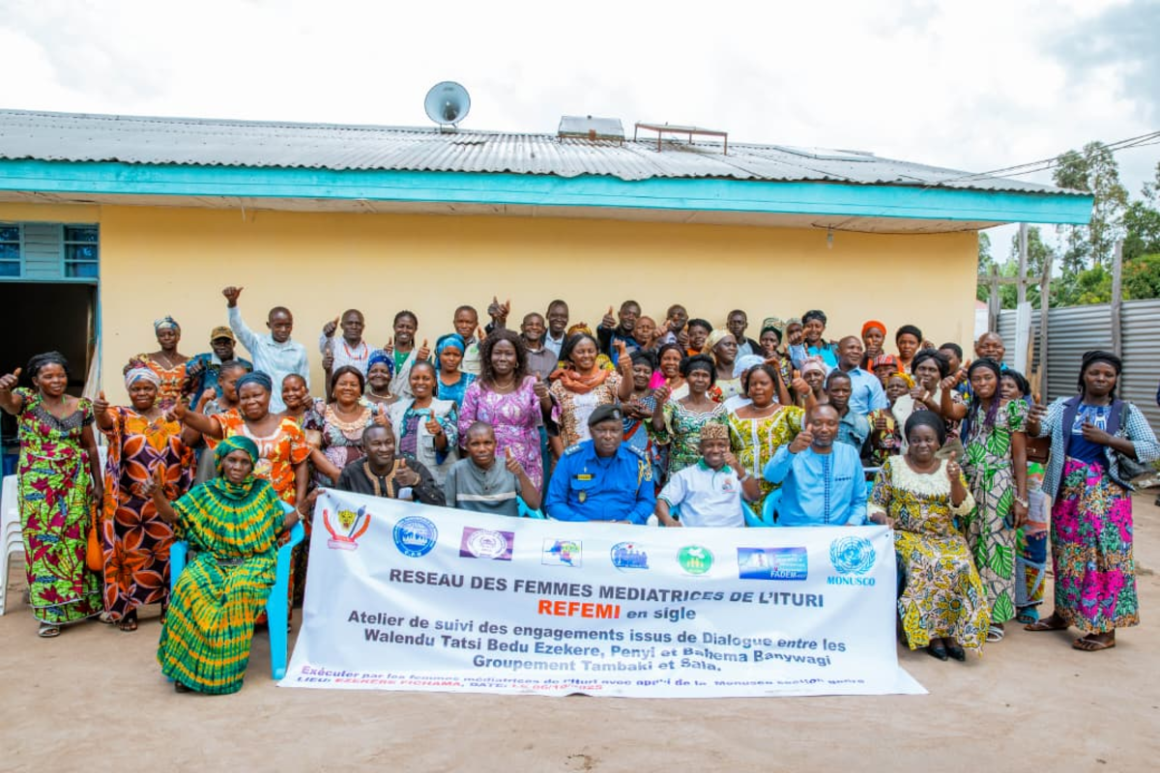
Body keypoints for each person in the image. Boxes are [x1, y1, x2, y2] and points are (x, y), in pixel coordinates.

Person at [148, 436, 307, 695]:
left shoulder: (263, 491)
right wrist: (156, 494)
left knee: (238, 591)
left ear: (252, 466)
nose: (237, 466)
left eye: (245, 462)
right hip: (215, 559)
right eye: (232, 460)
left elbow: (279, 525)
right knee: (190, 587)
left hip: (254, 562)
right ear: (221, 461)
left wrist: (305, 506)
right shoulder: (206, 492)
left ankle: (218, 674)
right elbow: (174, 515)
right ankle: (186, 670)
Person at [1025, 351, 1160, 651]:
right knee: (1066, 554)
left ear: (1115, 380)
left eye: (1108, 375)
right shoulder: (1064, 406)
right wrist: (1034, 421)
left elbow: (1152, 449)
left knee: (1104, 558)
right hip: (1068, 491)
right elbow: (1041, 431)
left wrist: (1109, 440)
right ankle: (1063, 614)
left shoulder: (1125, 411)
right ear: (1083, 374)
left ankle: (1105, 630)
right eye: (1095, 373)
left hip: (1107, 495)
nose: (1101, 379)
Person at [868, 411, 989, 661]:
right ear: (907, 441)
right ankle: (930, 634)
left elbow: (964, 508)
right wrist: (883, 518)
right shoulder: (893, 465)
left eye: (929, 440)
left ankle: (953, 633)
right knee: (928, 564)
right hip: (907, 535)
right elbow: (875, 504)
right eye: (916, 440)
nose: (922, 445)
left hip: (945, 536)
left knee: (960, 564)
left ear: (939, 442)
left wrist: (955, 481)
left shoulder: (950, 468)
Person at [0, 353, 103, 638]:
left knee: (77, 543)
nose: (56, 380)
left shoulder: (81, 406)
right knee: (44, 549)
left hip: (75, 483)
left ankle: (87, 606)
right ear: (35, 380)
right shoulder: (25, 400)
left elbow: (91, 447)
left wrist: (99, 484)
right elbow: (8, 406)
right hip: (38, 491)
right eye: (48, 376)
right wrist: (3, 390)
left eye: (60, 375)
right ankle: (50, 614)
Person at [94, 369, 198, 631]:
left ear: (157, 390)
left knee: (168, 553)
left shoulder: (171, 416)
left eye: (147, 388)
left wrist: (195, 410)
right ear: (129, 391)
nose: (141, 393)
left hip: (168, 500)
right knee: (131, 555)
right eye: (136, 389)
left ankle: (168, 603)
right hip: (131, 502)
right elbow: (105, 423)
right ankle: (128, 609)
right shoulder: (120, 415)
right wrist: (98, 410)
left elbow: (188, 443)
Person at [959, 358, 1029, 641]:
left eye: (987, 378)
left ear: (997, 379)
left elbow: (1020, 455)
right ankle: (973, 610)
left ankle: (996, 618)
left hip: (999, 485)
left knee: (998, 548)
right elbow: (947, 410)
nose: (982, 383)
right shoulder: (973, 407)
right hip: (970, 483)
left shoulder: (1013, 408)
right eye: (976, 379)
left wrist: (1021, 499)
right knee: (972, 544)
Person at [175, 371, 310, 508]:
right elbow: (208, 424)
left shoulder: (289, 427)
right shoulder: (232, 421)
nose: (251, 401)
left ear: (269, 394)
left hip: (280, 504)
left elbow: (300, 465)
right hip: (239, 506)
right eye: (245, 397)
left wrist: (299, 502)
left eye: (257, 395)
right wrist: (184, 414)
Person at [458, 329, 550, 489]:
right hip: (486, 462)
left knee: (524, 510)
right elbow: (465, 426)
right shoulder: (476, 388)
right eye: (497, 353)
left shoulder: (530, 384)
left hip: (526, 462)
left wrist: (544, 397)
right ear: (489, 356)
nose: (502, 358)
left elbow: (546, 415)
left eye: (508, 354)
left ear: (517, 358)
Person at [545, 405, 655, 523]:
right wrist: (585, 523)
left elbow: (647, 501)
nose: (608, 436)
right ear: (591, 431)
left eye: (614, 430)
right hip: (580, 531)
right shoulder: (571, 458)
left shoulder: (638, 460)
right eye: (601, 430)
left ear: (622, 431)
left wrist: (630, 521)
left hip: (625, 531)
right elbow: (554, 503)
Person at [763, 404, 867, 527]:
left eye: (831, 423)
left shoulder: (849, 453)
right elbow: (771, 476)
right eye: (817, 423)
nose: (824, 429)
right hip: (796, 532)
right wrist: (791, 451)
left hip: (838, 535)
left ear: (838, 427)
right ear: (807, 424)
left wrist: (852, 524)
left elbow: (859, 501)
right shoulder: (793, 451)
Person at [999, 369, 1048, 624]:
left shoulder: (1028, 414)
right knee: (999, 537)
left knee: (1031, 539)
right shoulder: (984, 412)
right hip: (996, 479)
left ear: (1022, 391)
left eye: (1011, 385)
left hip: (1029, 478)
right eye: (1001, 384)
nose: (1005, 388)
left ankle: (1029, 602)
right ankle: (1003, 597)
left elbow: (1039, 433)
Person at [726, 364, 805, 514]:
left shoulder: (788, 414)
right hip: (743, 491)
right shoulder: (731, 417)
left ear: (774, 386)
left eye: (763, 383)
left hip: (780, 491)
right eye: (753, 384)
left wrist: (806, 393)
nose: (758, 388)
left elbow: (814, 423)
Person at [222, 287, 309, 413]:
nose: (283, 329)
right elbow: (238, 328)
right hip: (264, 412)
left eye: (287, 325)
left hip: (291, 412)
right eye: (278, 325)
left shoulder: (299, 350)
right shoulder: (258, 343)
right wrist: (232, 304)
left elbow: (305, 385)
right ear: (269, 325)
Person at [656, 423, 759, 528]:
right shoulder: (685, 476)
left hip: (732, 536)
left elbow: (754, 496)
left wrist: (739, 469)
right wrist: (669, 520)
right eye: (709, 445)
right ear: (701, 448)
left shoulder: (737, 473)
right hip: (695, 537)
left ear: (728, 448)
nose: (715, 450)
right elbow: (663, 501)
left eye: (721, 445)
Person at [549, 332, 633, 452]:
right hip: (573, 454)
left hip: (604, 451)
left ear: (597, 353)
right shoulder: (559, 385)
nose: (586, 355)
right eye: (580, 352)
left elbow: (625, 394)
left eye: (590, 351)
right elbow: (554, 426)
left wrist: (627, 369)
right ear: (571, 356)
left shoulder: (608, 378)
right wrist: (564, 459)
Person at [297, 366, 381, 486]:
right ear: (333, 389)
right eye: (342, 384)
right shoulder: (321, 412)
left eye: (353, 384)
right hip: (328, 484)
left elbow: (382, 447)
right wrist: (335, 474)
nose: (348, 388)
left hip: (364, 483)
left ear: (360, 391)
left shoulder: (373, 413)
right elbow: (310, 448)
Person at [652, 354, 728, 476]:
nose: (700, 379)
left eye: (705, 376)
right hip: (679, 470)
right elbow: (658, 427)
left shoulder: (719, 410)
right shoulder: (673, 405)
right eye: (695, 374)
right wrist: (659, 404)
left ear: (711, 380)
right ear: (686, 378)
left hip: (709, 470)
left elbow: (724, 443)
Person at [387, 360, 459, 485]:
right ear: (409, 381)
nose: (420, 382)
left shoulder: (446, 409)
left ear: (434, 381)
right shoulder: (396, 409)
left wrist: (439, 432)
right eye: (415, 378)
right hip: (402, 479)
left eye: (426, 378)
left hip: (433, 482)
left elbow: (446, 446)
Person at [445, 422, 541, 515]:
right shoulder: (456, 471)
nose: (482, 449)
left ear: (495, 444)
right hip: (469, 529)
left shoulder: (511, 467)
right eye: (475, 444)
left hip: (505, 528)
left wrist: (520, 474)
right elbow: (449, 511)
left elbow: (534, 504)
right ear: (466, 446)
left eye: (487, 443)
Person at [335, 424, 445, 505]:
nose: (384, 449)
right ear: (364, 447)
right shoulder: (351, 474)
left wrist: (417, 482)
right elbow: (337, 508)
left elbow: (440, 504)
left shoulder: (413, 467)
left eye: (388, 443)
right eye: (376, 444)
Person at [125, 317, 190, 409]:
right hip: (151, 411)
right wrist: (127, 371)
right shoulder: (144, 360)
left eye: (171, 334)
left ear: (178, 337)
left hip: (180, 411)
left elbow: (195, 389)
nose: (166, 338)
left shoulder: (190, 362)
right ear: (157, 338)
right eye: (162, 335)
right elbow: (134, 383)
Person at [621, 350, 663, 484]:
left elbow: (664, 426)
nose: (641, 375)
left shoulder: (658, 397)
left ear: (652, 375)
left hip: (648, 457)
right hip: (619, 456)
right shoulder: (619, 394)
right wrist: (621, 409)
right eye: (637, 370)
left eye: (646, 372)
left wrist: (650, 415)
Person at [185, 326, 252, 408]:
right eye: (218, 343)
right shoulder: (204, 360)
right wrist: (193, 368)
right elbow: (189, 366)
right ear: (212, 344)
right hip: (205, 411)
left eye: (226, 343)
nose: (222, 346)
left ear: (234, 344)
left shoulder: (246, 366)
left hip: (236, 411)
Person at [834, 336, 887, 416]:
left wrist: (870, 428)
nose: (856, 352)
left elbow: (878, 413)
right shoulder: (826, 375)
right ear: (838, 352)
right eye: (851, 347)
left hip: (861, 427)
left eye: (860, 349)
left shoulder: (871, 380)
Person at [865, 373, 910, 467]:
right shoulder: (876, 415)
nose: (894, 389)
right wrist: (877, 431)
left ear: (908, 391)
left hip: (907, 464)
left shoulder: (913, 414)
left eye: (900, 386)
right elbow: (870, 446)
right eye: (890, 387)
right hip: (880, 465)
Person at [384, 311, 431, 399]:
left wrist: (419, 362)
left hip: (409, 408)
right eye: (401, 326)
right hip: (384, 406)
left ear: (415, 330)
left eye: (409, 327)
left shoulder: (424, 356)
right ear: (394, 327)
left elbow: (425, 388)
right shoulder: (384, 353)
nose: (404, 330)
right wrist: (383, 359)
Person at [320, 309, 371, 382]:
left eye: (358, 324)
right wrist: (327, 334)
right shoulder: (332, 344)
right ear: (342, 326)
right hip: (334, 393)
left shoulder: (371, 351)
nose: (354, 326)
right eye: (350, 323)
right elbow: (324, 342)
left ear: (363, 327)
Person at [825, 370, 870, 450]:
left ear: (850, 392)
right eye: (835, 390)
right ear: (826, 391)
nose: (840, 395)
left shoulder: (862, 423)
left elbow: (865, 456)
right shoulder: (815, 419)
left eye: (845, 391)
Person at [434, 333, 477, 409]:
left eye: (456, 355)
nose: (451, 358)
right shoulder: (431, 377)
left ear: (462, 357)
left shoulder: (471, 379)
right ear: (439, 355)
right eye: (447, 354)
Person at [598, 300, 642, 365]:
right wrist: (604, 326)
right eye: (627, 313)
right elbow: (602, 332)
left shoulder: (640, 340)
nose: (630, 318)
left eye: (635, 315)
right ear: (619, 315)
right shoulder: (609, 335)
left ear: (638, 319)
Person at [705, 330, 742, 400]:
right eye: (727, 344)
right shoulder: (708, 375)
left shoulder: (743, 373)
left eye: (735, 345)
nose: (732, 348)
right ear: (715, 348)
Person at [758, 320, 794, 390]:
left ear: (778, 343)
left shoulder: (785, 362)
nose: (768, 343)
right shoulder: (755, 360)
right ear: (760, 341)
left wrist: (778, 364)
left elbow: (788, 385)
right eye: (764, 340)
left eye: (772, 340)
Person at [521, 312, 558, 380]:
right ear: (522, 327)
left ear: (543, 330)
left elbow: (554, 383)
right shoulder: (515, 352)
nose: (534, 327)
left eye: (538, 325)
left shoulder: (551, 356)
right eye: (530, 324)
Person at [452, 305, 484, 376]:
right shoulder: (446, 347)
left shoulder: (482, 346)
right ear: (454, 323)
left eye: (469, 322)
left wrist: (486, 345)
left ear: (476, 324)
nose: (464, 326)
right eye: (460, 322)